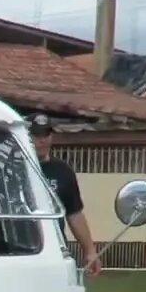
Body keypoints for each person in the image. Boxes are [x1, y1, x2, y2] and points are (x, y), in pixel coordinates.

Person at [31, 114, 101, 276]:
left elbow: (74, 213)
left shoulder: (63, 171)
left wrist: (90, 250)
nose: (43, 140)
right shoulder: (13, 170)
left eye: (47, 134)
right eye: (37, 135)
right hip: (20, 252)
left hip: (55, 252)